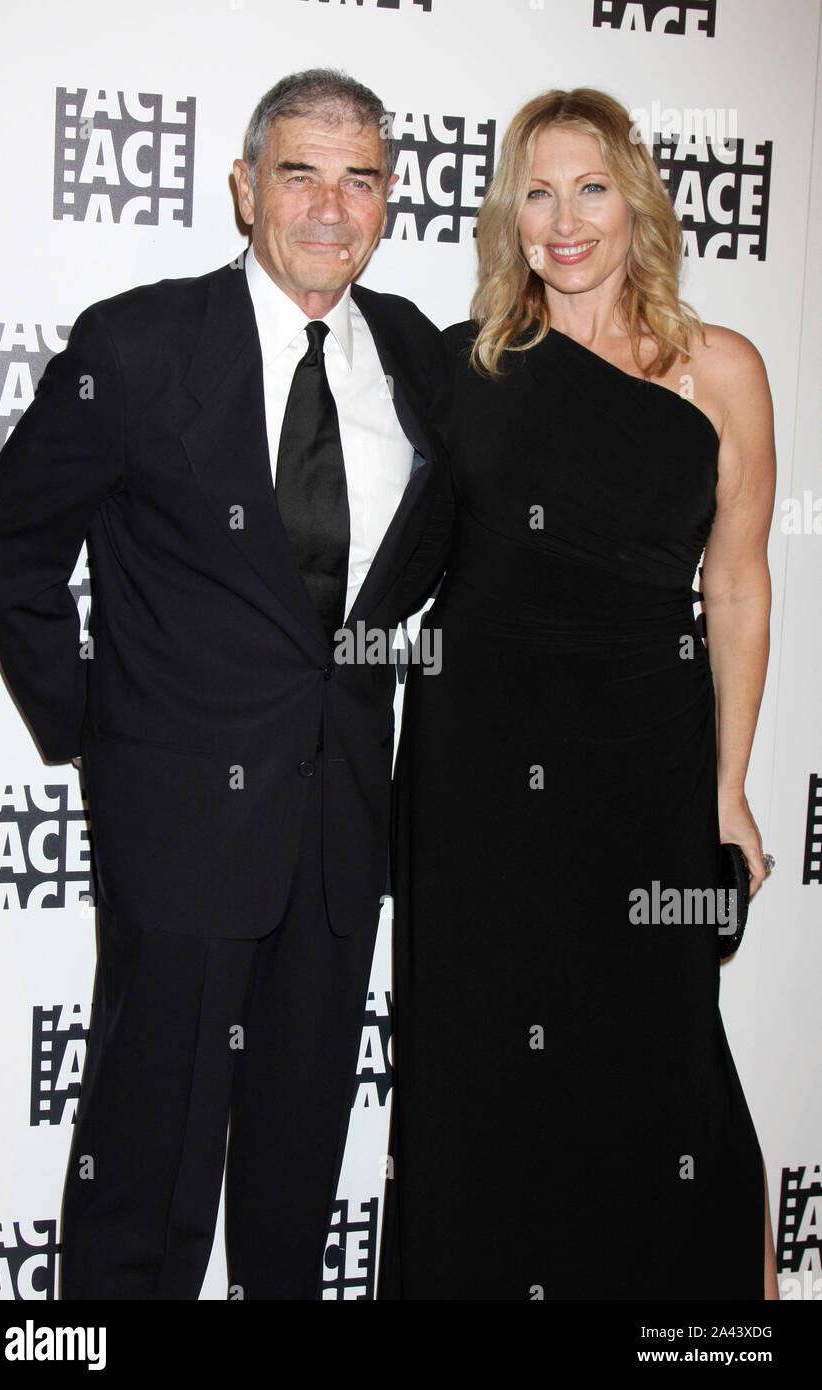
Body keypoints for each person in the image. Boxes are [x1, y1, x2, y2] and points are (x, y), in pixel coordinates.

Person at [0, 67, 450, 1300]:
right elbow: (9, 532)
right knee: (144, 1185)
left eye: (363, 178)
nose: (333, 207)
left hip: (339, 846)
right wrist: (90, 727)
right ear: (245, 187)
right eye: (302, 172)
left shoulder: (415, 359)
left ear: (391, 199)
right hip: (179, 835)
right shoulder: (139, 344)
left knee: (293, 1196)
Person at [377, 88, 778, 1300]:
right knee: (480, 1071)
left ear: (636, 199)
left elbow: (741, 588)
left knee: (665, 1071)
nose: (565, 221)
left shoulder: (722, 372)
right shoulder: (468, 364)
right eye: (537, 192)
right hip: (476, 782)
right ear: (510, 213)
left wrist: (730, 789)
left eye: (591, 187)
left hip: (642, 768)